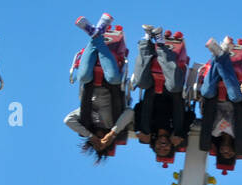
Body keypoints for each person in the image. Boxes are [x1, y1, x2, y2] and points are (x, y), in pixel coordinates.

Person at [67, 16, 133, 162]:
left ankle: (95, 33)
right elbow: (130, 112)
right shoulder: (113, 124)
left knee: (83, 77)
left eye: (97, 144)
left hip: (90, 83)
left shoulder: (86, 123)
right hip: (110, 85)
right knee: (113, 78)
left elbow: (68, 120)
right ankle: (97, 33)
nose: (100, 140)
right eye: (104, 143)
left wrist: (90, 135)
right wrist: (113, 133)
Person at [131, 27, 191, 163]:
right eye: (166, 149)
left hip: (152, 89)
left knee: (140, 82)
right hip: (172, 90)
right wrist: (180, 133)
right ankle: (160, 43)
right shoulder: (177, 130)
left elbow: (138, 107)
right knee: (174, 86)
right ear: (171, 146)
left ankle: (146, 39)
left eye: (158, 149)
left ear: (154, 145)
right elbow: (190, 115)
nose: (162, 146)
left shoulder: (148, 128)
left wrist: (138, 129)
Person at [195, 36, 242, 166]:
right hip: (235, 101)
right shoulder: (241, 136)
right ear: (234, 152)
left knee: (207, 91)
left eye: (222, 154)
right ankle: (220, 54)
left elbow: (203, 115)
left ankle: (220, 54)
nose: (225, 151)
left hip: (213, 99)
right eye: (229, 154)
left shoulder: (214, 132)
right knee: (234, 96)